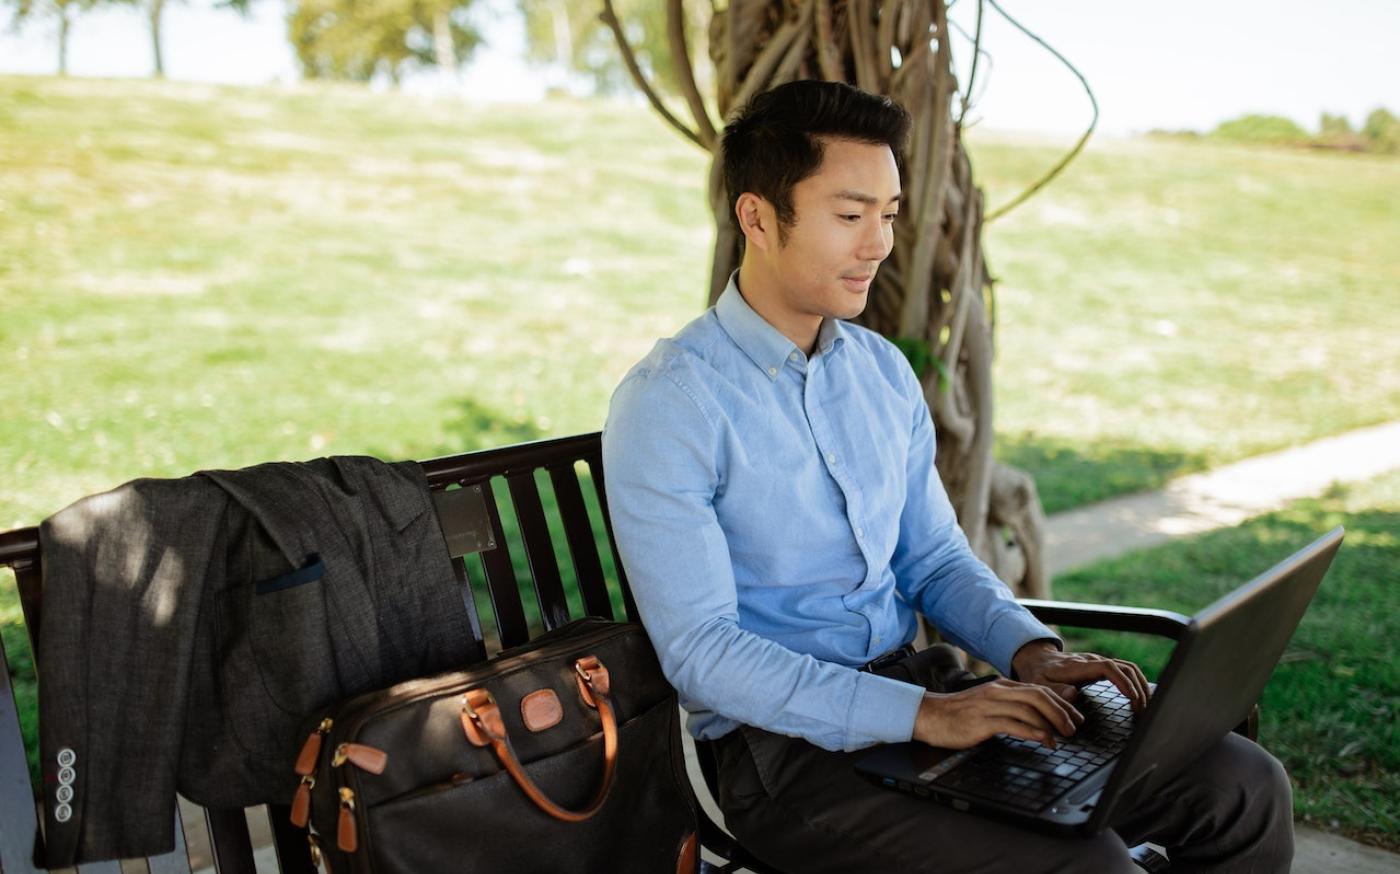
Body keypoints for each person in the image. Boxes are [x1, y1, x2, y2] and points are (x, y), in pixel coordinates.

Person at [601, 80, 1292, 873]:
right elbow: (703, 651)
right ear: (757, 217)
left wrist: (1029, 652)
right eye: (850, 215)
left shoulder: (881, 373)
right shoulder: (672, 403)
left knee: (1243, 785)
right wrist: (924, 715)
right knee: (1090, 863)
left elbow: (931, 558)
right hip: (786, 756)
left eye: (889, 215)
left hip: (930, 695)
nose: (878, 245)